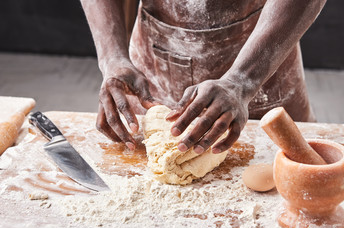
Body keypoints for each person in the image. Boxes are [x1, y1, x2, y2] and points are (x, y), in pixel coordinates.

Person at [80, 0, 326, 155]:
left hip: (263, 58)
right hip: (152, 70)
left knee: (290, 171)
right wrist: (112, 58)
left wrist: (242, 81)